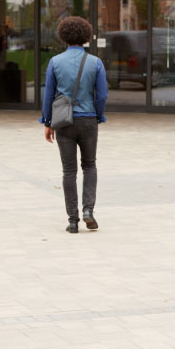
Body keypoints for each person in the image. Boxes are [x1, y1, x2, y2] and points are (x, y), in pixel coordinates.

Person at [40, 16, 108, 234]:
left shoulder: (55, 62)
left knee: (68, 170)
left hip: (64, 121)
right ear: (86, 36)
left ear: (64, 36)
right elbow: (102, 95)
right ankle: (88, 209)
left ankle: (72, 220)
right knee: (89, 165)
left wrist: (47, 122)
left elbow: (49, 94)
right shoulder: (96, 62)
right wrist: (98, 116)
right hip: (88, 119)